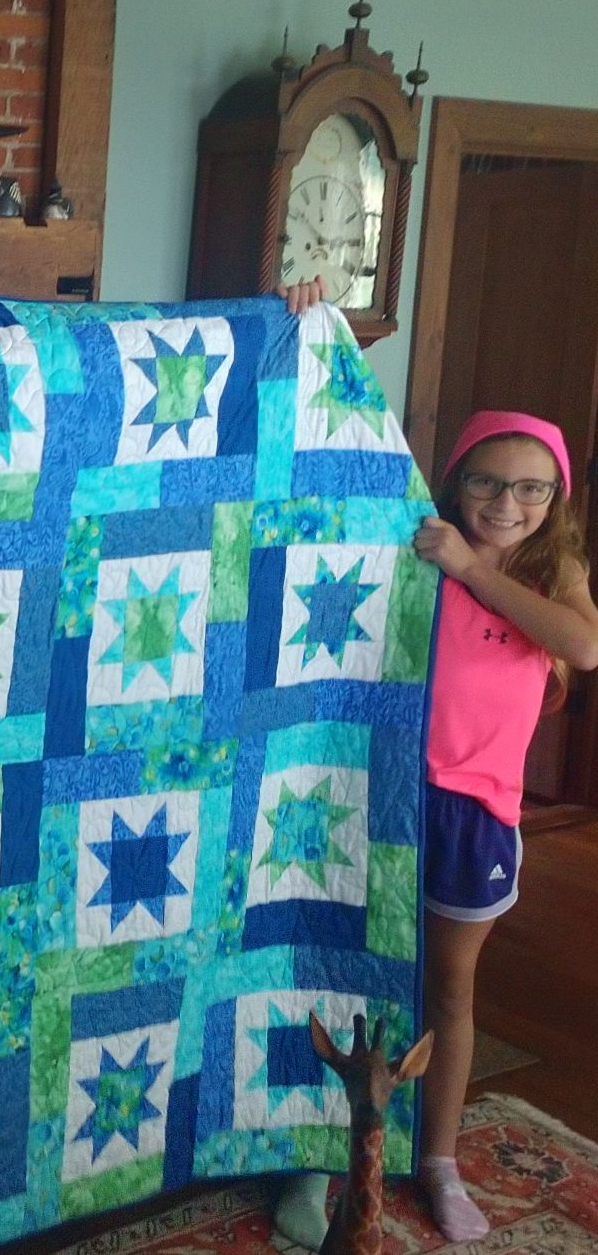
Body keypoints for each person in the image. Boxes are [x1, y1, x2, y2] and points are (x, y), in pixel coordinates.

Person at [273, 270, 598, 1245]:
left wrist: (473, 568)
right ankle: (311, 1160)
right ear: (452, 479)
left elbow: (582, 647)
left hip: (475, 817)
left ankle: (439, 1156)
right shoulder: (406, 544)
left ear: (555, 499)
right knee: (339, 980)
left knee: (449, 993)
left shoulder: (553, 573)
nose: (508, 501)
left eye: (531, 487)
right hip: (376, 797)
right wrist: (310, 329)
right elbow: (322, 458)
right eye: (488, 482)